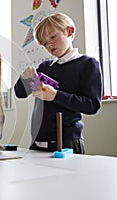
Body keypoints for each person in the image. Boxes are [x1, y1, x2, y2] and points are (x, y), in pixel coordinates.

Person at [14, 12, 102, 154]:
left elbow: (92, 105)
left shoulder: (88, 64)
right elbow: (20, 93)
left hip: (67, 144)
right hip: (37, 142)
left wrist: (55, 96)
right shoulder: (44, 67)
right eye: (44, 43)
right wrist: (24, 77)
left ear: (69, 31)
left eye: (53, 37)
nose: (49, 45)